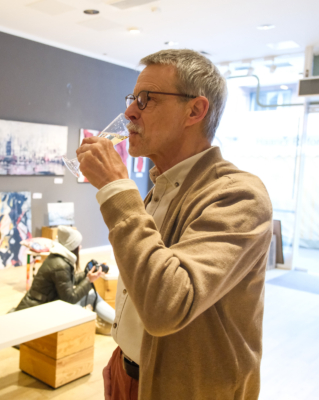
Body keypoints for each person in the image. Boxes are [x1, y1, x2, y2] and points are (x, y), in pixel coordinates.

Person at [77, 49, 273, 400]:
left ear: (195, 111)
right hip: (125, 371)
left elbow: (166, 304)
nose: (130, 112)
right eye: (132, 99)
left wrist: (116, 189)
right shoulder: (162, 187)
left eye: (146, 99)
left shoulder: (239, 195)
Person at [15, 225, 115, 327]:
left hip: (46, 304)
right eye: (78, 245)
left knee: (92, 295)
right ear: (72, 247)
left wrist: (87, 274)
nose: (80, 247)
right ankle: (118, 322)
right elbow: (69, 299)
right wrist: (88, 280)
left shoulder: (58, 258)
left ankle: (116, 322)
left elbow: (68, 281)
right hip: (41, 309)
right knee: (89, 298)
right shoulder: (61, 265)